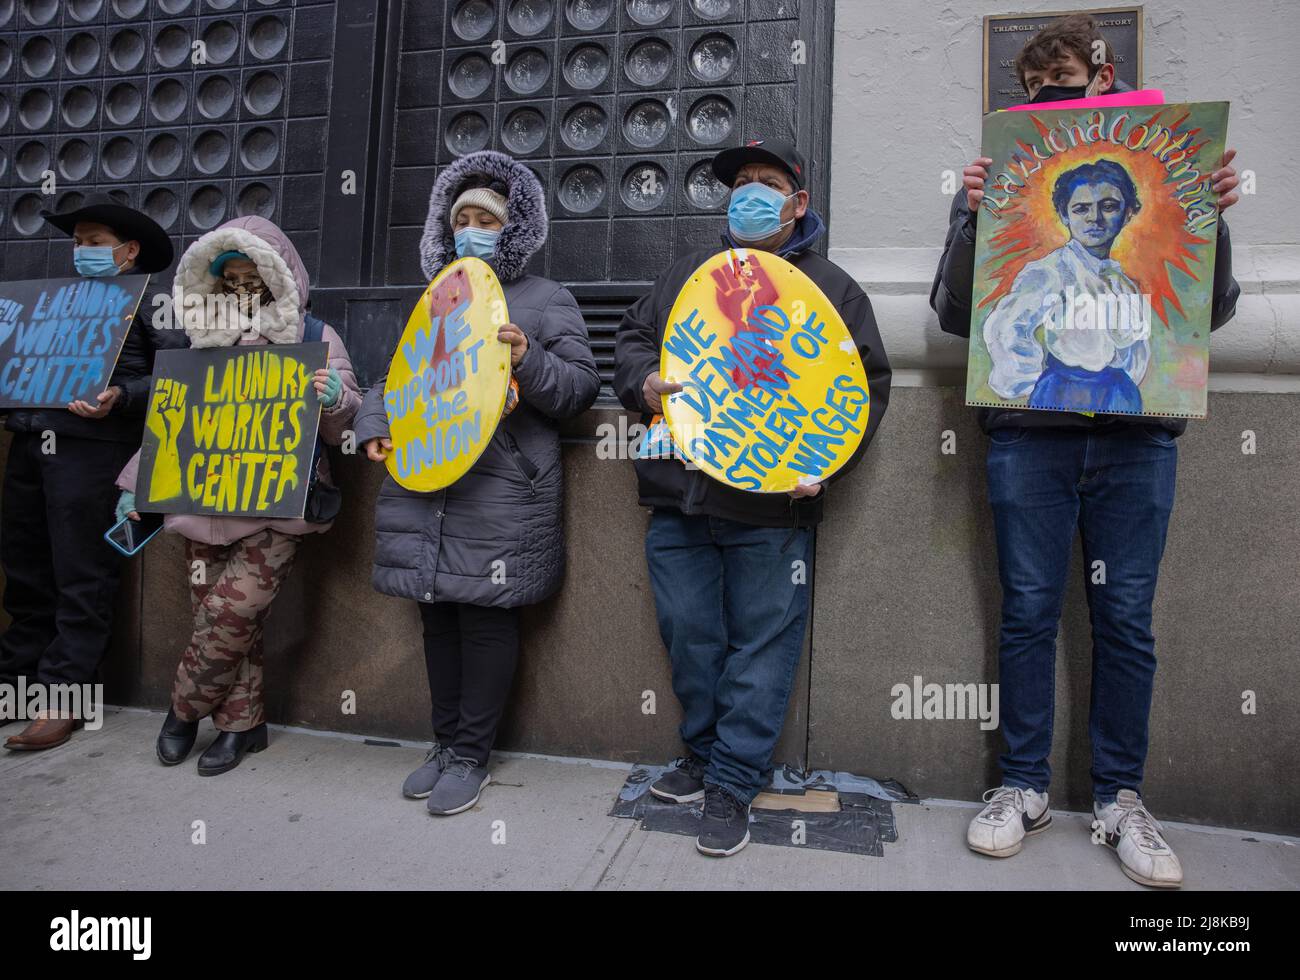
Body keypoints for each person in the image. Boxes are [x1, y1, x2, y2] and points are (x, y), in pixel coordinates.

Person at [930, 14, 1242, 888]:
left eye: (1072, 82)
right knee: (1028, 611)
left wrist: (1209, 215)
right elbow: (958, 316)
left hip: (1137, 442)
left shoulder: (1153, 246)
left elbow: (1208, 316)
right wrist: (970, 212)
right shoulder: (1004, 212)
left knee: (1127, 620)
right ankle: (1021, 785)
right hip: (1031, 440)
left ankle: (1120, 798)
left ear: (1104, 86)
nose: (1098, 212)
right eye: (1041, 89)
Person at [614, 138, 892, 857]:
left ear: (798, 204)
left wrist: (828, 460)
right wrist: (641, 382)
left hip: (772, 507)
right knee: (689, 633)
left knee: (762, 644)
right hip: (680, 497)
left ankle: (733, 782)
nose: (748, 195)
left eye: (766, 184)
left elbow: (867, 387)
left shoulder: (832, 289)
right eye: (739, 185)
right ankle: (702, 756)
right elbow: (634, 340)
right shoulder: (687, 275)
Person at [354, 150, 599, 816]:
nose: (470, 227)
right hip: (428, 487)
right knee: (437, 617)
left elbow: (579, 389)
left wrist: (528, 358)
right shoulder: (436, 301)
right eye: (460, 217)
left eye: (484, 217)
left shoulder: (547, 300)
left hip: (500, 489)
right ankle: (442, 744)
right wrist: (375, 424)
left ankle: (471, 755)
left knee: (485, 621)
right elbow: (392, 379)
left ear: (512, 226)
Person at [114, 216, 361, 776]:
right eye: (231, 277)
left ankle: (182, 712)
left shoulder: (314, 335)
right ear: (214, 283)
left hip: (278, 508)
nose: (244, 287)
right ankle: (242, 727)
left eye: (256, 275)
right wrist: (136, 488)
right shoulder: (199, 343)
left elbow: (347, 421)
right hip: (201, 504)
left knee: (230, 614)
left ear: (281, 277)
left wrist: (335, 398)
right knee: (228, 626)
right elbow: (172, 421)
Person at [1, 193, 181, 751]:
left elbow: (180, 375)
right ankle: (14, 685)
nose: (82, 251)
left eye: (95, 243)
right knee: (27, 569)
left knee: (83, 573)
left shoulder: (154, 302)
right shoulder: (51, 299)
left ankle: (65, 699)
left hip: (92, 448)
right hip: (30, 443)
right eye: (78, 242)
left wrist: (123, 396)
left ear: (128, 251)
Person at [983, 160, 1149, 412]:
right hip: (1063, 393)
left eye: (1109, 206)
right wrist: (1029, 383)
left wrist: (1125, 383)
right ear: (1064, 214)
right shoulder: (1050, 270)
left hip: (1120, 396)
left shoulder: (1123, 283)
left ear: (1127, 213)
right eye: (1081, 208)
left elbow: (1135, 347)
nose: (1095, 218)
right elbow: (1006, 327)